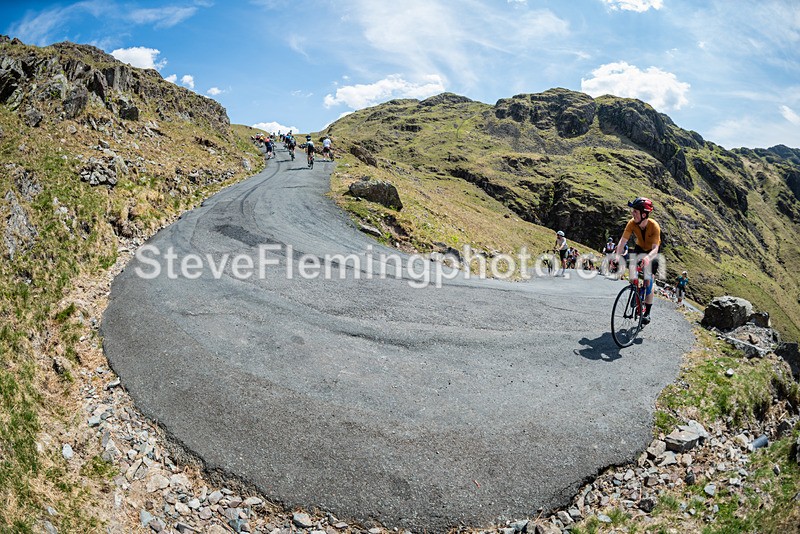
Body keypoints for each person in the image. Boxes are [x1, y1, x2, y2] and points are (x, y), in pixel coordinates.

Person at [615, 197, 661, 325]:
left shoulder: (654, 226)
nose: (632, 213)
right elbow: (622, 241)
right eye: (633, 211)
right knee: (632, 271)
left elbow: (655, 249)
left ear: (644, 214)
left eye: (635, 211)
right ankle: (635, 290)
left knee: (648, 280)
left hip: (652, 252)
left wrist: (647, 258)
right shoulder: (631, 223)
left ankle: (647, 313)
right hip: (640, 248)